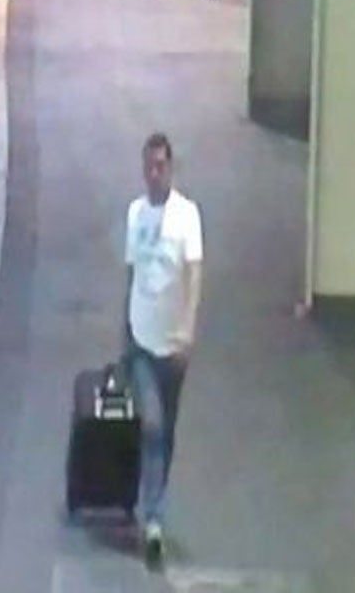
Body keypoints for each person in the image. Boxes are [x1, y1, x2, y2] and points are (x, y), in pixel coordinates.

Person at [123, 131, 204, 568]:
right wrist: (123, 335)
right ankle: (152, 518)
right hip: (140, 341)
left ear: (170, 168)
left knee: (165, 432)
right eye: (148, 167)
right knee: (152, 426)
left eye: (161, 166)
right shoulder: (135, 214)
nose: (154, 174)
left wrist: (187, 330)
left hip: (172, 347)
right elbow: (131, 275)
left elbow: (194, 275)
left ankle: (154, 505)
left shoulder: (186, 216)